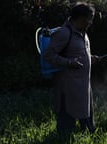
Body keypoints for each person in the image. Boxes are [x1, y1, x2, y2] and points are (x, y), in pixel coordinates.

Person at [43, 2, 100, 137]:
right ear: (80, 18)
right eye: (89, 18)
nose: (90, 22)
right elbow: (48, 55)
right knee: (66, 118)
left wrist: (90, 58)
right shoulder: (64, 33)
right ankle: (63, 138)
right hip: (67, 87)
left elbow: (77, 53)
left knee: (86, 113)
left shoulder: (82, 33)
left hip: (83, 85)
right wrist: (69, 63)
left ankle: (88, 134)